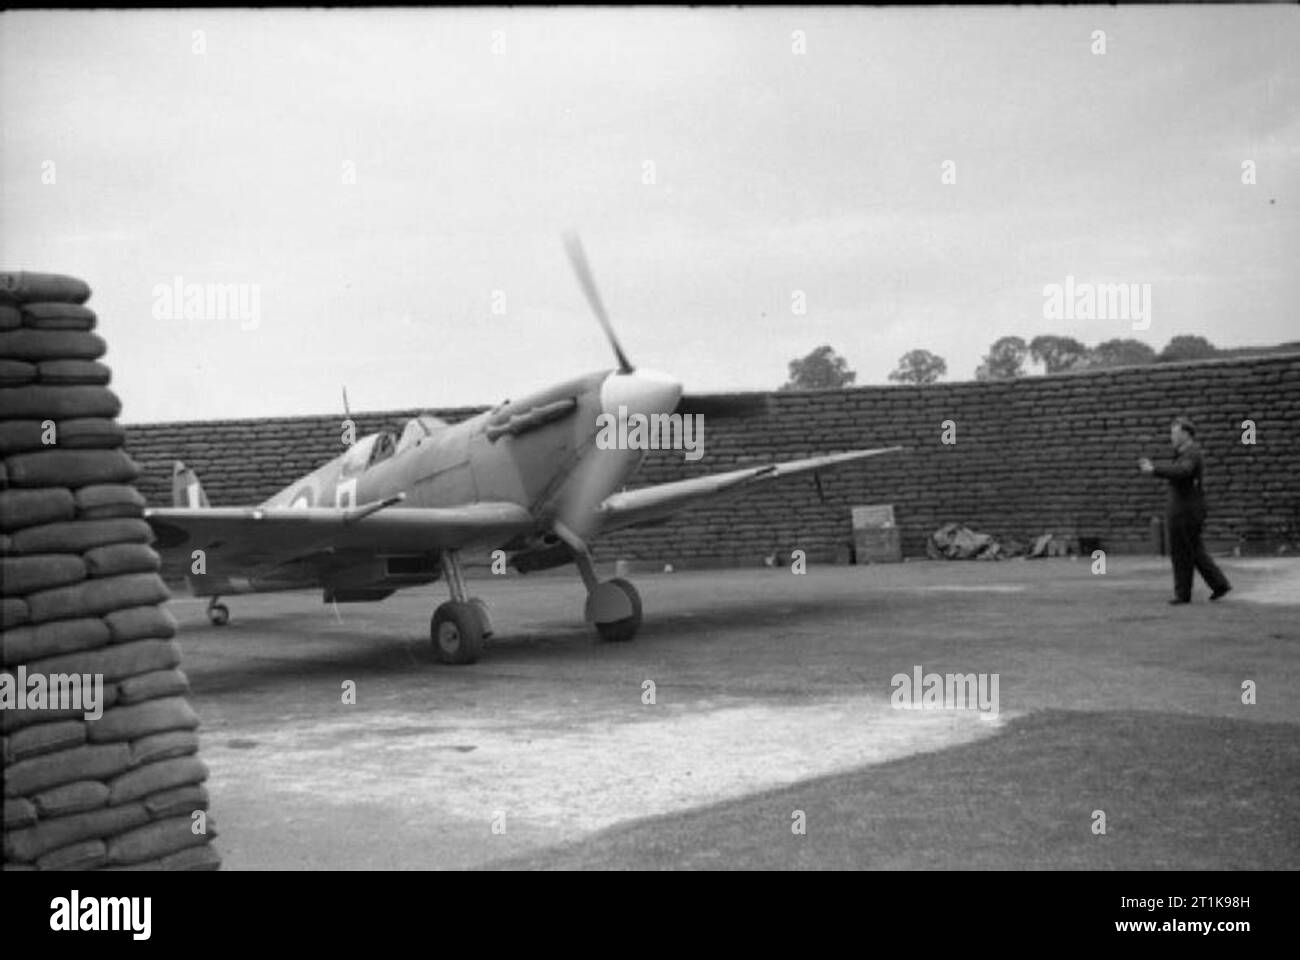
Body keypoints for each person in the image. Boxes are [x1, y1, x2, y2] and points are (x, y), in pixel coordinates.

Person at [1139, 416, 1231, 604]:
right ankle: (1219, 584)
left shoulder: (1191, 454)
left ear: (1186, 434)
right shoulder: (1184, 453)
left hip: (1185, 512)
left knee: (1181, 552)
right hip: (1187, 510)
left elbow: (1183, 472)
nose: (1171, 436)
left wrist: (1154, 470)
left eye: (1175, 433)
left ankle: (1183, 595)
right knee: (1194, 550)